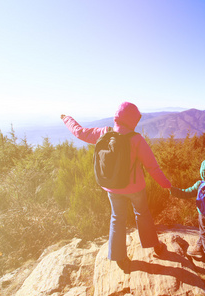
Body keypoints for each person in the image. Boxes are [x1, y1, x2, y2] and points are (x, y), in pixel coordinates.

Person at [61, 102, 171, 271]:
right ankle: (154, 246)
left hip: (112, 187)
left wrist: (66, 118)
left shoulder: (104, 133)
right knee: (142, 213)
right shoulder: (136, 139)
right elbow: (152, 167)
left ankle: (120, 258)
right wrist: (166, 185)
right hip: (135, 188)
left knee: (117, 219)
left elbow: (79, 132)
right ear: (132, 119)